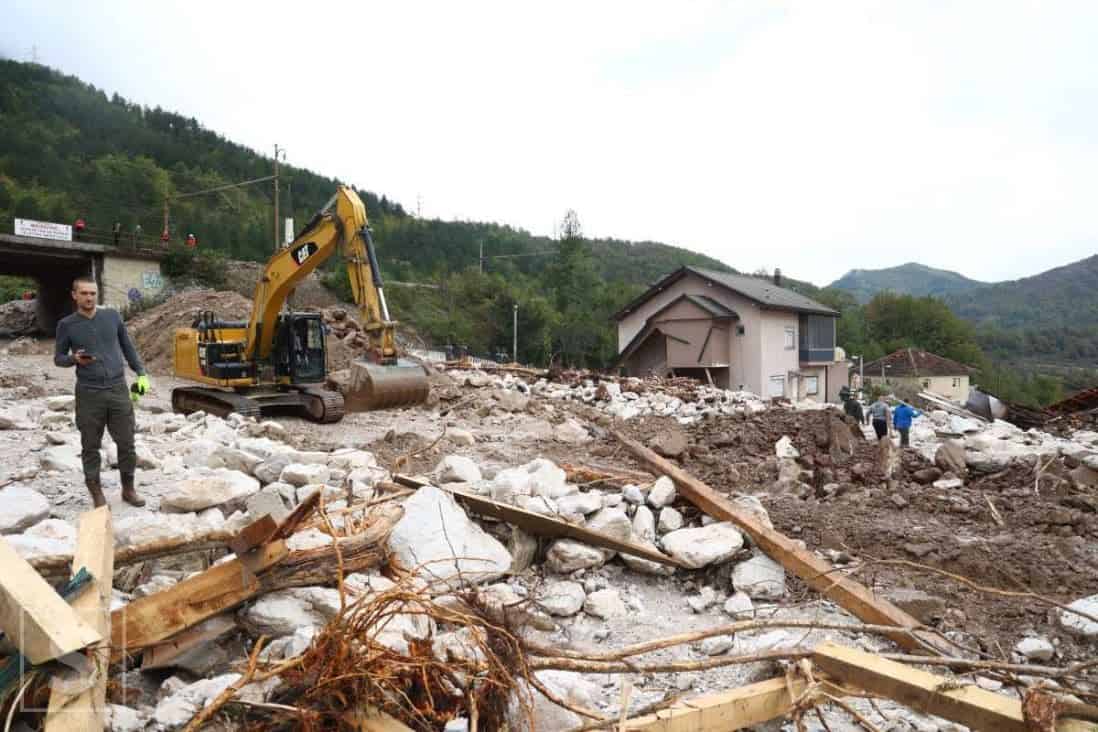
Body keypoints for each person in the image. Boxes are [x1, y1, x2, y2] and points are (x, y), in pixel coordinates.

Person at [54, 276, 150, 508]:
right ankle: (97, 494)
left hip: (118, 389)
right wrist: (73, 359)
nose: (89, 298)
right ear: (74, 295)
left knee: (126, 443)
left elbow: (127, 346)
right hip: (89, 393)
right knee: (90, 446)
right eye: (84, 293)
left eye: (93, 293)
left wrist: (141, 372)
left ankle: (128, 489)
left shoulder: (112, 316)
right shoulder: (66, 325)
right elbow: (58, 358)